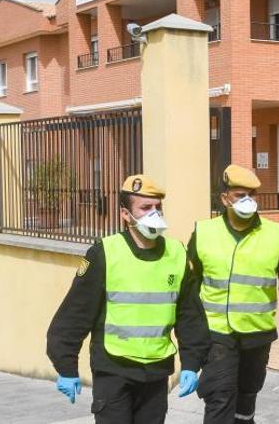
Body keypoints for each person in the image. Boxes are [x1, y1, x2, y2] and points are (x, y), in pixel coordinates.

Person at [47, 175, 211, 424]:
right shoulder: (105, 253)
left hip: (156, 373)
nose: (154, 214)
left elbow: (190, 315)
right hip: (114, 371)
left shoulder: (176, 253)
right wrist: (66, 367)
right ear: (126, 214)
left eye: (157, 208)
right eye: (145, 208)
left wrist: (191, 363)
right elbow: (76, 313)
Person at [189, 164, 279, 424]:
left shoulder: (273, 234)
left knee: (246, 403)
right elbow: (190, 286)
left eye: (252, 195)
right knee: (219, 398)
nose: (247, 201)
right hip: (216, 336)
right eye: (239, 195)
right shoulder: (204, 233)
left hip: (257, 336)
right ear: (225, 198)